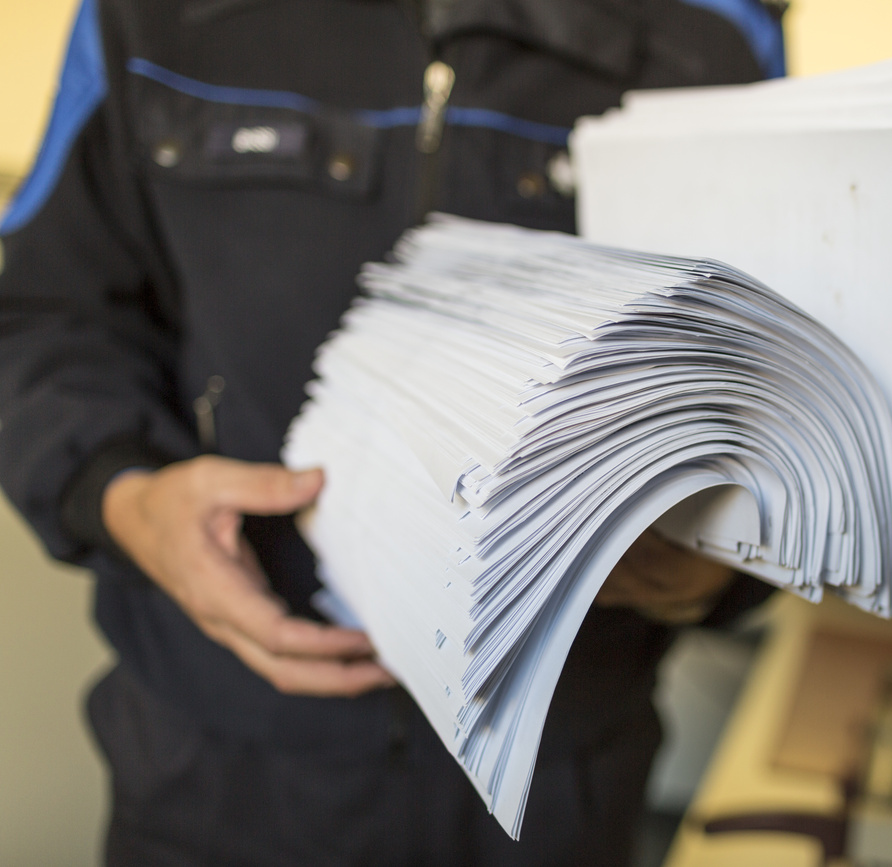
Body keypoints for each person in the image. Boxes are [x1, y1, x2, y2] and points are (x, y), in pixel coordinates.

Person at [0, 0, 783, 864]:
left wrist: (716, 568)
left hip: (552, 783)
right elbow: (43, 318)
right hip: (215, 768)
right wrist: (124, 495)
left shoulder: (714, 35)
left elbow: (784, 405)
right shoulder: (143, 15)